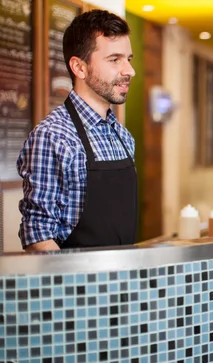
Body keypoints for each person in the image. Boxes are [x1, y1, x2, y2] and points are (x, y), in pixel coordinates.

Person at [16, 10, 137, 251]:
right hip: (78, 286)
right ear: (79, 68)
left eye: (129, 59)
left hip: (123, 282)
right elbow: (38, 236)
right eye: (115, 60)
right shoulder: (53, 136)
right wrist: (76, 287)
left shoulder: (123, 137)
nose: (129, 71)